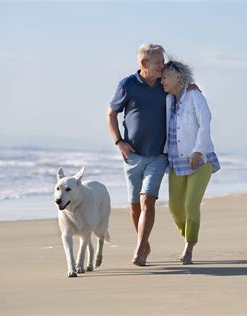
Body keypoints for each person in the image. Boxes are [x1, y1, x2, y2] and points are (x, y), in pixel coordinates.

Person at [106, 43, 168, 266]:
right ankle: (144, 242)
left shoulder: (166, 82)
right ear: (144, 63)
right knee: (134, 205)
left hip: (159, 155)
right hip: (132, 156)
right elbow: (111, 114)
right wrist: (119, 142)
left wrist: (193, 88)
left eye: (163, 61)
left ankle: (140, 249)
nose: (163, 65)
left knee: (147, 200)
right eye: (158, 62)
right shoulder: (127, 85)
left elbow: (184, 86)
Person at [161, 59, 221, 265]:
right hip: (175, 160)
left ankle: (189, 247)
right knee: (175, 208)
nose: (162, 81)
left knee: (190, 205)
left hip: (199, 159)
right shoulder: (168, 100)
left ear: (179, 77)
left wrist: (198, 151)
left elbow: (205, 123)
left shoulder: (195, 96)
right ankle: (188, 234)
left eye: (165, 77)